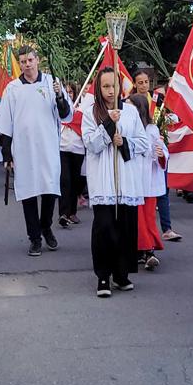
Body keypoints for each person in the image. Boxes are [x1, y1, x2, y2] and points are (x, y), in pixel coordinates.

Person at [0, 45, 73, 256]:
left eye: (30, 60)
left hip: (48, 147)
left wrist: (60, 97)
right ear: (20, 64)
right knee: (28, 192)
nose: (27, 65)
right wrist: (7, 154)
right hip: (24, 149)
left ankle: (46, 226)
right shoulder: (12, 88)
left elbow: (65, 115)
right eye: (23, 62)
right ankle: (34, 237)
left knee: (49, 189)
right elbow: (6, 124)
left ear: (38, 60)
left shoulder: (51, 83)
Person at [82, 67, 149, 296]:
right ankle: (103, 276)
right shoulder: (91, 112)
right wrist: (108, 124)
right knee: (105, 227)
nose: (111, 91)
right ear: (99, 89)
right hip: (103, 180)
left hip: (125, 179)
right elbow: (91, 143)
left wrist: (125, 142)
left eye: (114, 86)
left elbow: (144, 143)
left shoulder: (130, 112)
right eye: (106, 86)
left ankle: (122, 273)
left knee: (125, 228)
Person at [129, 93, 166, 270]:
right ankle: (138, 250)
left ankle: (149, 251)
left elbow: (161, 149)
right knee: (135, 219)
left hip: (148, 182)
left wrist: (160, 154)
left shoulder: (151, 130)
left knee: (148, 217)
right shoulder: (126, 127)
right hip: (133, 181)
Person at [59, 80, 88, 227]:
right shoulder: (60, 107)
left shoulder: (82, 108)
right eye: (67, 92)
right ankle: (63, 213)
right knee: (65, 180)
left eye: (71, 92)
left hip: (78, 149)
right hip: (62, 148)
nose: (69, 95)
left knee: (76, 182)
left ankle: (72, 212)